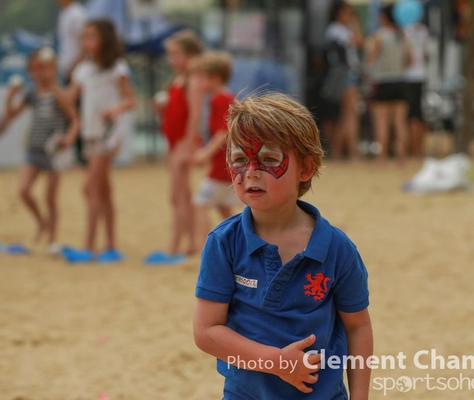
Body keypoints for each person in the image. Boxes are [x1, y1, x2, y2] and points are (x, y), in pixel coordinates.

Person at [193, 93, 373, 399]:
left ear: (306, 168)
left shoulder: (337, 249)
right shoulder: (223, 243)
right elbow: (206, 332)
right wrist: (276, 362)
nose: (251, 171)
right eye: (240, 159)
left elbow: (358, 327)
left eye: (269, 159)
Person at [0, 48, 79, 253]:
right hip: (34, 148)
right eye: (34, 69)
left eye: (41, 68)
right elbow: (11, 116)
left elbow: (74, 119)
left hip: (54, 152)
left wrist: (69, 138)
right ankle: (41, 221)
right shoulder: (32, 93)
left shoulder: (57, 92)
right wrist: (9, 98)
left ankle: (52, 240)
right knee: (23, 190)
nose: (37, 73)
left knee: (50, 198)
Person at [63, 19, 135, 264]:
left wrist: (114, 110)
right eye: (84, 37)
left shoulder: (117, 67)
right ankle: (111, 246)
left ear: (105, 38)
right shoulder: (83, 69)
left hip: (108, 134)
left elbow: (130, 100)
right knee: (103, 190)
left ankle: (89, 246)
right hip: (90, 134)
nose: (86, 41)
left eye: (91, 36)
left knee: (90, 188)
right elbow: (68, 98)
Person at [155, 29, 204, 257]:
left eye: (176, 54)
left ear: (191, 55)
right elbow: (175, 115)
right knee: (181, 195)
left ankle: (177, 245)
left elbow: (195, 113)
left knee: (179, 196)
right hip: (174, 142)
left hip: (182, 143)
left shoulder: (192, 80)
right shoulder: (177, 80)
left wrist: (188, 142)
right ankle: (190, 243)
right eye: (170, 54)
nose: (171, 59)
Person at [189, 51, 240, 243]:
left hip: (222, 165)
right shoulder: (224, 98)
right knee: (223, 206)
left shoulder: (220, 99)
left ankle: (206, 247)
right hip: (226, 163)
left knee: (200, 204)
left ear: (216, 78)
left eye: (201, 77)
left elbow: (223, 131)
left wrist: (205, 153)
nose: (198, 82)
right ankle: (239, 242)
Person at [366, 5, 413, 165]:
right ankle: (402, 157)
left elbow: (370, 59)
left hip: (382, 81)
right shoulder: (402, 36)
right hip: (400, 81)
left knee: (381, 122)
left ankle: (382, 157)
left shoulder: (379, 36)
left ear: (384, 17)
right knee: (400, 122)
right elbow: (411, 60)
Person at [323, 1, 364, 161]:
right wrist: (355, 25)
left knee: (346, 115)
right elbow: (358, 41)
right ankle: (353, 152)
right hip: (345, 76)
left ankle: (337, 151)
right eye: (347, 13)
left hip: (349, 75)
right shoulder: (336, 30)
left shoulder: (341, 30)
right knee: (351, 115)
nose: (350, 17)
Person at [56, 0, 87, 165]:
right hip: (68, 70)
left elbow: (84, 45)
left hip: (75, 71)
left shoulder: (77, 14)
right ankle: (75, 151)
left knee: (77, 111)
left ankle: (82, 153)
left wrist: (74, 68)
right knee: (71, 110)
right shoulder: (65, 13)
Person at [404, 21, 429, 158]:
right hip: (421, 76)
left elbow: (409, 59)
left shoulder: (404, 30)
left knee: (411, 116)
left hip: (408, 77)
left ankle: (413, 150)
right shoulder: (423, 30)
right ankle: (417, 149)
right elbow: (426, 53)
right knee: (419, 115)